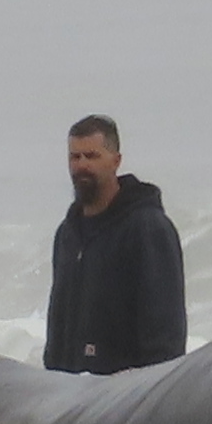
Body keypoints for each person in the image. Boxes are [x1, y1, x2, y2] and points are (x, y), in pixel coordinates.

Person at [43, 112, 186, 375]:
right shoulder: (67, 234)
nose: (82, 166)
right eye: (75, 157)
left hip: (122, 400)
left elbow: (165, 335)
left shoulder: (147, 228)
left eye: (92, 156)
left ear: (116, 161)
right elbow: (57, 325)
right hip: (70, 396)